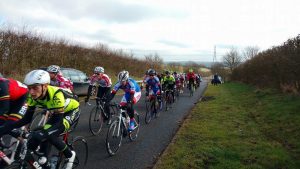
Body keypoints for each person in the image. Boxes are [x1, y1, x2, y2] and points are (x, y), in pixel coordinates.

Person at [0, 70, 79, 169]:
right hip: (56, 110)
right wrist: (6, 127)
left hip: (71, 110)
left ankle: (70, 155)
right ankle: (44, 159)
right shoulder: (31, 96)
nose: (31, 92)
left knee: (50, 134)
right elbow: (26, 119)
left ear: (45, 86)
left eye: (35, 88)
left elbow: (57, 123)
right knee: (40, 136)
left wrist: (42, 134)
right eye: (29, 88)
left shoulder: (56, 95)